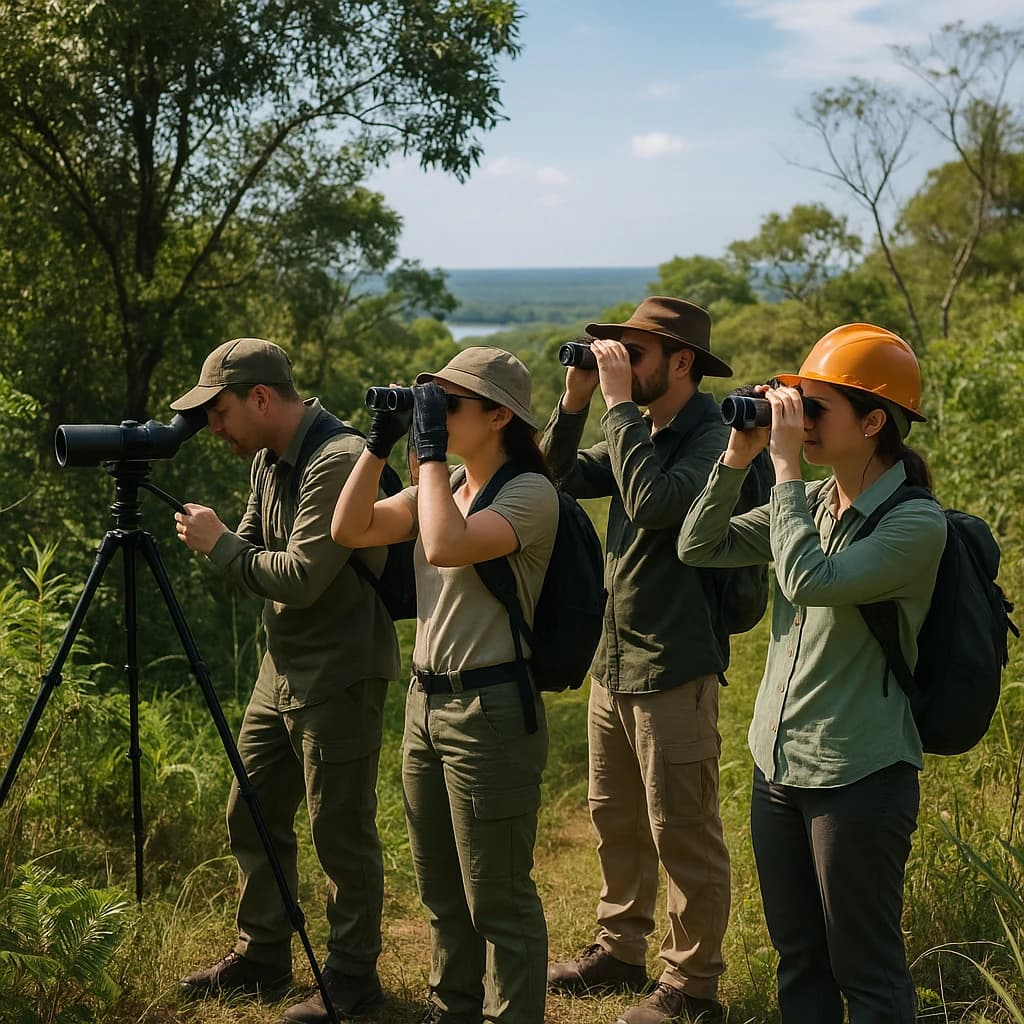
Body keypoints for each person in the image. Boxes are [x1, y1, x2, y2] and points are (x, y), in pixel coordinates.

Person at [677, 323, 947, 1023]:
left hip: (858, 774)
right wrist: (739, 456)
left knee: (865, 965)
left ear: (874, 420)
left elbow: (806, 578)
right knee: (798, 959)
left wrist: (786, 466)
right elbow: (697, 546)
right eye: (793, 407)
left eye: (813, 409)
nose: (798, 423)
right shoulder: (816, 504)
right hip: (778, 766)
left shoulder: (915, 526)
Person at [171, 338, 400, 1024]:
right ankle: (264, 954)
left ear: (261, 398)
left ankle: (354, 977)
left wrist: (223, 548)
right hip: (284, 668)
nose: (215, 430)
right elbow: (254, 552)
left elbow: (297, 577)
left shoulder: (335, 459)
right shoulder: (269, 460)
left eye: (219, 413)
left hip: (340, 672)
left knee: (340, 830)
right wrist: (235, 549)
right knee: (254, 808)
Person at [331, 347, 558, 1024]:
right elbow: (349, 528)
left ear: (497, 416)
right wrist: (380, 440)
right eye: (434, 402)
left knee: (498, 896)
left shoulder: (529, 493)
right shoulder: (448, 484)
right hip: (427, 704)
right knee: (440, 889)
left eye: (449, 404)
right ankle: (451, 1005)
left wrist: (425, 449)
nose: (437, 414)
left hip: (489, 710)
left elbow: (443, 545)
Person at [542, 297, 735, 1024]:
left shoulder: (715, 438)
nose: (621, 362)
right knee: (615, 818)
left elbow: (655, 504)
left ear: (681, 362)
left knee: (682, 831)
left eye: (636, 353)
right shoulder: (640, 428)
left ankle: (692, 986)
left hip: (675, 662)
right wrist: (575, 400)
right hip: (615, 657)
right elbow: (553, 474)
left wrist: (617, 407)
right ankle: (620, 950)